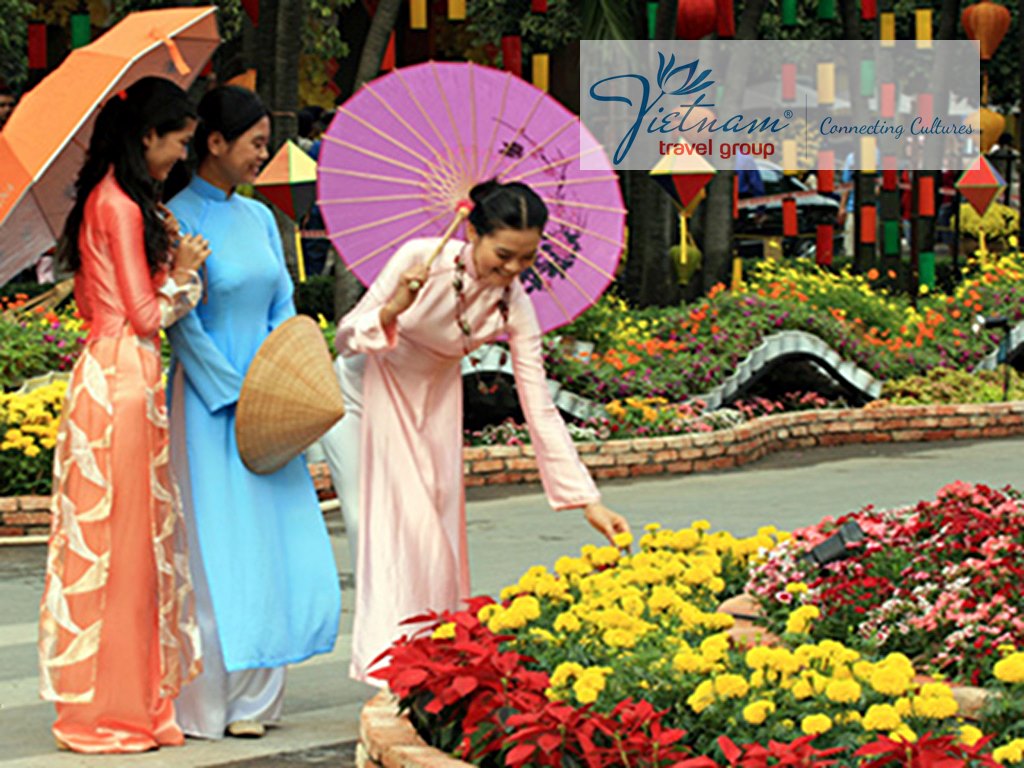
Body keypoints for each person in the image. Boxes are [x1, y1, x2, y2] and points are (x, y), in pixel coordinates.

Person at [321, 180, 630, 684]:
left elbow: (539, 404)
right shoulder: (422, 256)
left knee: (435, 532)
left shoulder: (514, 304)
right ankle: (387, 672)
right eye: (502, 254)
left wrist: (587, 500)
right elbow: (347, 337)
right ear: (473, 231)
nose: (510, 270)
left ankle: (430, 659)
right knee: (382, 525)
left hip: (436, 400)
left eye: (525, 260)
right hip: (367, 392)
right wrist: (394, 306)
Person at [165, 86, 341, 739]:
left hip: (271, 401)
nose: (265, 156)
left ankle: (261, 700)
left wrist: (286, 383)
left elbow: (282, 304)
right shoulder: (175, 219)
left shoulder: (262, 218)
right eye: (256, 144)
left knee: (278, 541)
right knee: (219, 545)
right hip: (212, 405)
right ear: (215, 143)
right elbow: (181, 322)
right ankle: (213, 697)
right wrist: (232, 391)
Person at [38, 76, 208, 754]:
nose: (181, 155)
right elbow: (144, 315)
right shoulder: (125, 206)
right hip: (126, 380)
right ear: (149, 136)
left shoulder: (102, 200)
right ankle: (119, 710)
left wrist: (161, 253)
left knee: (109, 545)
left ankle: (110, 703)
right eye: (179, 142)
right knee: (130, 548)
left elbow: (99, 304)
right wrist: (185, 272)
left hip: (99, 377)